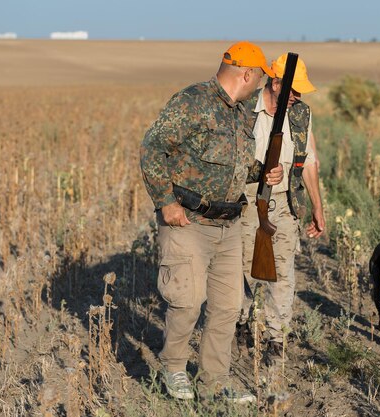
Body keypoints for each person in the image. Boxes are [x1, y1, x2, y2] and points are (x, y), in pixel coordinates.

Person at [140, 41, 283, 402]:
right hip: (188, 220)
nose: (259, 86)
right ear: (247, 74)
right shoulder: (193, 101)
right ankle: (173, 369)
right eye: (259, 79)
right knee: (187, 300)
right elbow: (153, 147)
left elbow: (233, 166)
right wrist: (165, 202)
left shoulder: (238, 113)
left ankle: (213, 383)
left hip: (229, 223)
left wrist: (264, 172)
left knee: (227, 307)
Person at [238, 54, 325, 362]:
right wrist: (260, 171)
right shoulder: (243, 110)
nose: (298, 97)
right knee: (245, 270)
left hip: (286, 202)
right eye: (293, 90)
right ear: (275, 83)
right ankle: (242, 324)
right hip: (248, 201)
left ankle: (277, 338)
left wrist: (317, 206)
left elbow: (308, 161)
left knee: (284, 273)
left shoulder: (302, 114)